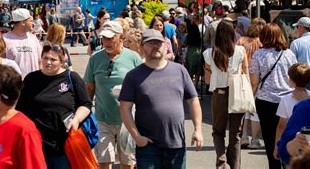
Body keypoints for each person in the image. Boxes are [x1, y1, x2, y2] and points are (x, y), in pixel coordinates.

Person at [119, 29, 203, 168]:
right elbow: (124, 108)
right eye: (150, 43)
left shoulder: (180, 70)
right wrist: (137, 137)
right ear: (141, 47)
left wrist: (198, 129)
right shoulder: (133, 76)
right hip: (148, 146)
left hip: (176, 144)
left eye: (158, 43)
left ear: (165, 46)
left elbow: (193, 100)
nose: (155, 46)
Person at [17, 44, 92, 168]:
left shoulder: (72, 78)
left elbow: (86, 104)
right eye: (45, 58)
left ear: (62, 61)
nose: (48, 62)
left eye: (53, 59)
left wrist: (76, 120)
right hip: (37, 144)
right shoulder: (31, 79)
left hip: (64, 144)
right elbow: (21, 109)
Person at [84, 21, 142, 169]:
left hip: (127, 121)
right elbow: (89, 87)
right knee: (104, 162)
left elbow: (142, 87)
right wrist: (86, 113)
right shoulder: (95, 59)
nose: (106, 42)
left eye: (110, 38)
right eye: (104, 38)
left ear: (121, 37)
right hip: (103, 119)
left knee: (127, 164)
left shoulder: (133, 57)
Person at [249, 23, 297, 169]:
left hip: (266, 101)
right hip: (288, 99)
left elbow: (254, 82)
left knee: (270, 139)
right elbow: (295, 78)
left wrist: (250, 99)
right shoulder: (289, 54)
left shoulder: (258, 54)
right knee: (289, 135)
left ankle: (274, 166)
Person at [203, 21, 248, 169]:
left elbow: (207, 80)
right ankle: (235, 165)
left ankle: (222, 163)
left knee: (218, 132)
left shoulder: (209, 53)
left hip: (220, 94)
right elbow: (246, 75)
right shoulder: (241, 51)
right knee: (235, 134)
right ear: (233, 33)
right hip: (237, 95)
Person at [273, 63, 310, 160]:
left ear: (291, 81)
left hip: (290, 142)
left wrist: (277, 146)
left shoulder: (285, 99)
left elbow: (281, 126)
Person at [236, 18, 266, 149]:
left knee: (244, 108)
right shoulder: (261, 43)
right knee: (255, 110)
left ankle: (243, 136)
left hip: (241, 77)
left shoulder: (241, 40)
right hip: (257, 79)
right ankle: (254, 139)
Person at [3, 8, 42, 78]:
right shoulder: (4, 40)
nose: (33, 23)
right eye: (30, 21)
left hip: (35, 85)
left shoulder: (33, 38)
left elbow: (40, 61)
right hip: (15, 86)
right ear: (23, 22)